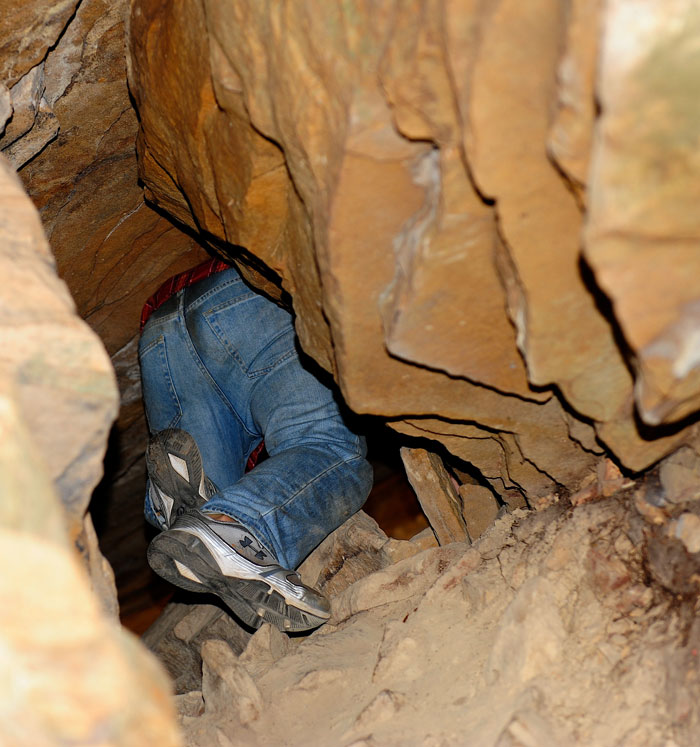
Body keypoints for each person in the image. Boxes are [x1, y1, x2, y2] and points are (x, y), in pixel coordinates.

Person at [138, 259, 373, 633]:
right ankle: (237, 529)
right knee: (327, 446)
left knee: (216, 497)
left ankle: (194, 509)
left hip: (160, 339)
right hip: (246, 303)